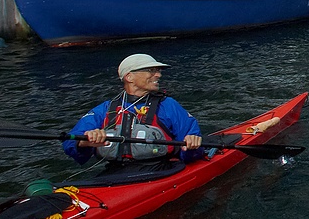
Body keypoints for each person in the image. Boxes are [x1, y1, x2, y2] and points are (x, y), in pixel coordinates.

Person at [62, 54, 204, 170]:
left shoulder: (168, 106)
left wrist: (191, 145)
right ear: (129, 77)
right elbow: (70, 143)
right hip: (115, 171)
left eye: (158, 71)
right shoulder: (106, 109)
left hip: (160, 170)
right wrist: (84, 142)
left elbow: (193, 151)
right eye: (151, 70)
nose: (158, 75)